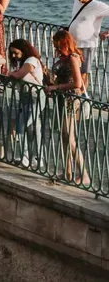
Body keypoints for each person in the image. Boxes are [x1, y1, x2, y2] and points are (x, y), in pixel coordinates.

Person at [46, 30, 88, 183]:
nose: (55, 48)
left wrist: (56, 88)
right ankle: (68, 172)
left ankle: (84, 175)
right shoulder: (64, 58)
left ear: (64, 43)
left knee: (70, 139)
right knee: (64, 137)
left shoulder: (73, 58)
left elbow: (77, 83)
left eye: (57, 44)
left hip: (70, 100)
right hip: (62, 99)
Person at [7, 39, 45, 166]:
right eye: (12, 53)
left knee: (22, 125)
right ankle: (37, 159)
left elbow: (19, 75)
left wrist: (12, 74)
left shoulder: (31, 61)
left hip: (36, 97)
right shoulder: (21, 63)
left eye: (16, 53)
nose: (13, 56)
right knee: (34, 128)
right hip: (25, 97)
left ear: (23, 51)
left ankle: (27, 157)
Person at [68, 0, 109, 91]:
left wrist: (107, 32)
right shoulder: (76, 1)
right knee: (71, 72)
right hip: (73, 44)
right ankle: (73, 95)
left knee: (83, 73)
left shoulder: (97, 6)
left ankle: (81, 97)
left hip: (87, 45)